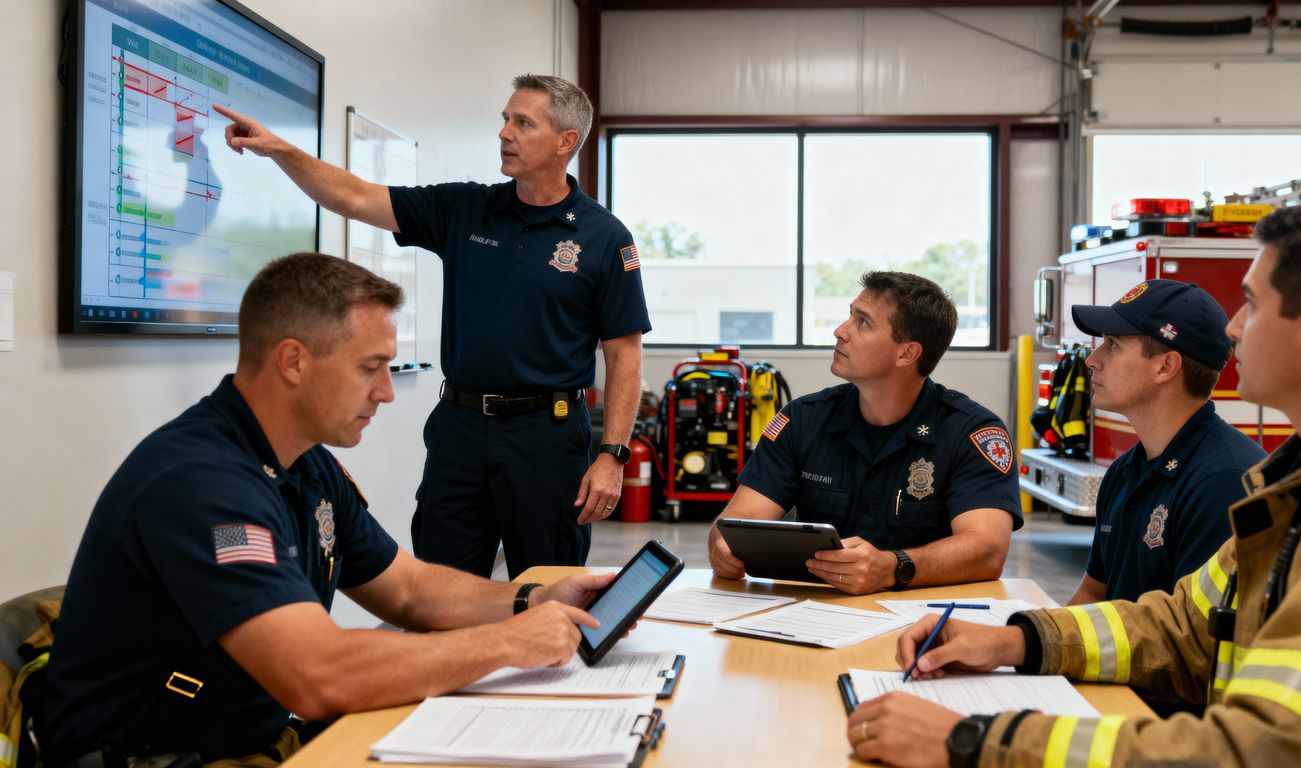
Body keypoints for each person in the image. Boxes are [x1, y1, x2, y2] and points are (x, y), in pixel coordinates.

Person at [847, 198, 1301, 768]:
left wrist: (976, 741)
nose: (1234, 328)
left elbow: (1268, 751)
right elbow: (1179, 626)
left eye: (1251, 304)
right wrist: (1016, 640)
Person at [39, 254, 615, 766]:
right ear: (293, 361)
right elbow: (317, 676)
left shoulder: (305, 463)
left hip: (245, 740)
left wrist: (532, 600)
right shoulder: (202, 485)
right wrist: (509, 642)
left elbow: (409, 589)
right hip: (153, 756)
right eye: (370, 367)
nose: (387, 392)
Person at [212, 74, 650, 580]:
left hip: (547, 439)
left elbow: (624, 354)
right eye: (505, 120)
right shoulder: (464, 209)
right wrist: (280, 149)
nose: (504, 133)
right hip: (460, 431)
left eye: (522, 123)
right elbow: (354, 197)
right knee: (442, 583)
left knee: (547, 588)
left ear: (565, 142)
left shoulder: (604, 237)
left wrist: (613, 454)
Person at [708, 272, 1022, 595]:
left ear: (907, 354)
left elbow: (987, 551)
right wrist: (723, 547)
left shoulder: (972, 433)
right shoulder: (803, 421)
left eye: (863, 323)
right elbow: (739, 520)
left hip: (926, 627)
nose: (840, 331)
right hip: (815, 619)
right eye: (850, 316)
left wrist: (892, 568)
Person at [1066, 280, 1264, 605]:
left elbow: (1190, 635)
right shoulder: (1123, 473)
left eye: (1113, 344)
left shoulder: (1225, 482)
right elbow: (1093, 592)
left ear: (1165, 367)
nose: (1092, 359)